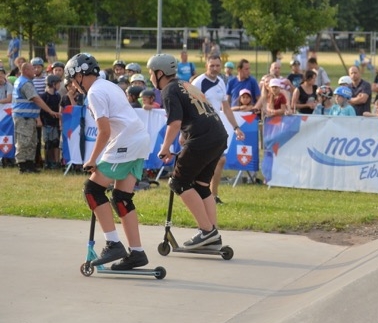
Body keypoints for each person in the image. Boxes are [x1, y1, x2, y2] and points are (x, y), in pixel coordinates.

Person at [64, 53, 151, 270]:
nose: (74, 86)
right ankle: (137, 253)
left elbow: (104, 131)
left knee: (92, 189)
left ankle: (113, 243)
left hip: (127, 142)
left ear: (79, 75)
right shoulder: (108, 85)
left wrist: (92, 160)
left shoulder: (94, 93)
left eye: (74, 80)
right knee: (121, 198)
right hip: (139, 139)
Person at [149, 53, 228, 249]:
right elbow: (192, 115)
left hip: (203, 138)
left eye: (151, 73)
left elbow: (175, 123)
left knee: (178, 182)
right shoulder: (185, 84)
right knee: (201, 185)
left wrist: (165, 147)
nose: (150, 77)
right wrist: (184, 137)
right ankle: (212, 234)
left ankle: (206, 231)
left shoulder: (168, 90)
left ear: (160, 73)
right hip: (218, 135)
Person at [193, 55, 246, 204]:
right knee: (209, 161)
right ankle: (201, 195)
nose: (215, 68)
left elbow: (226, 107)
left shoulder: (221, 82)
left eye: (217, 65)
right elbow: (190, 106)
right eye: (212, 66)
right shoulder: (199, 82)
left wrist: (236, 127)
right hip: (201, 128)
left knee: (219, 160)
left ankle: (212, 196)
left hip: (214, 127)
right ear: (206, 66)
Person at [12, 60, 59, 173]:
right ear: (26, 70)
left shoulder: (24, 81)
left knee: (32, 141)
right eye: (32, 69)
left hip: (28, 118)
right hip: (24, 118)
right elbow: (36, 99)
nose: (35, 71)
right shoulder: (25, 83)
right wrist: (49, 111)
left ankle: (29, 164)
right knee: (24, 141)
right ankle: (23, 165)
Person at [39, 74, 62, 169]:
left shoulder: (57, 96)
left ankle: (56, 161)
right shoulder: (44, 96)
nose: (59, 86)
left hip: (55, 123)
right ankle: (47, 162)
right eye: (58, 84)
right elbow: (40, 110)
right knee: (47, 143)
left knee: (55, 142)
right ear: (53, 84)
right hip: (46, 123)